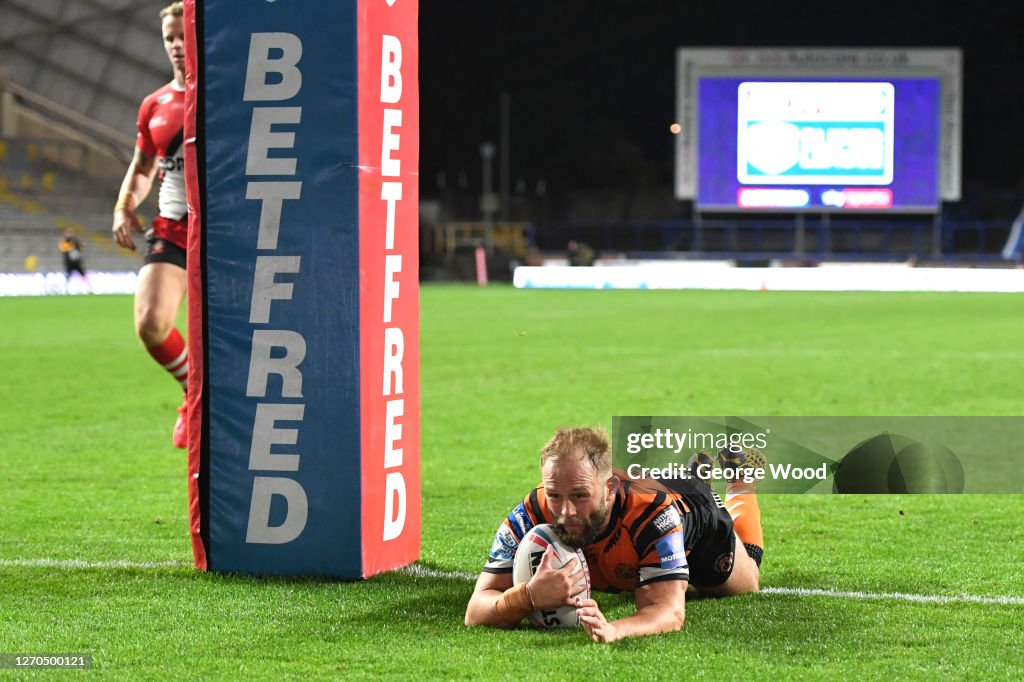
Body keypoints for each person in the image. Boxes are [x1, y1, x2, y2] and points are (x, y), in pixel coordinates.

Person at [464, 427, 766, 643]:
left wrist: (614, 629)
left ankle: (739, 480)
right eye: (555, 495)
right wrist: (526, 596)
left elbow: (668, 611)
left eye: (580, 495)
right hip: (650, 488)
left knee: (745, 581)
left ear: (609, 489)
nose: (565, 511)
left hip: (691, 510)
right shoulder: (530, 513)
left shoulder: (653, 516)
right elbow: (476, 611)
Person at [111, 1, 188, 448]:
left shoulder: (233, 97)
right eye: (169, 39)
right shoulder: (154, 104)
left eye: (183, 37)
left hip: (230, 232)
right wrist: (124, 206)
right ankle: (190, 389)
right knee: (150, 323)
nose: (177, 47)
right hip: (174, 226)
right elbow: (142, 168)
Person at [58, 228, 92, 293]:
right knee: (67, 277)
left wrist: (79, 245)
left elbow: (83, 246)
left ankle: (89, 289)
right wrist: (72, 247)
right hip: (69, 264)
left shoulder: (76, 242)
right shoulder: (64, 242)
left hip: (77, 263)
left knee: (84, 276)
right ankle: (65, 290)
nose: (69, 235)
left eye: (71, 233)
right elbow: (62, 249)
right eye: (68, 233)